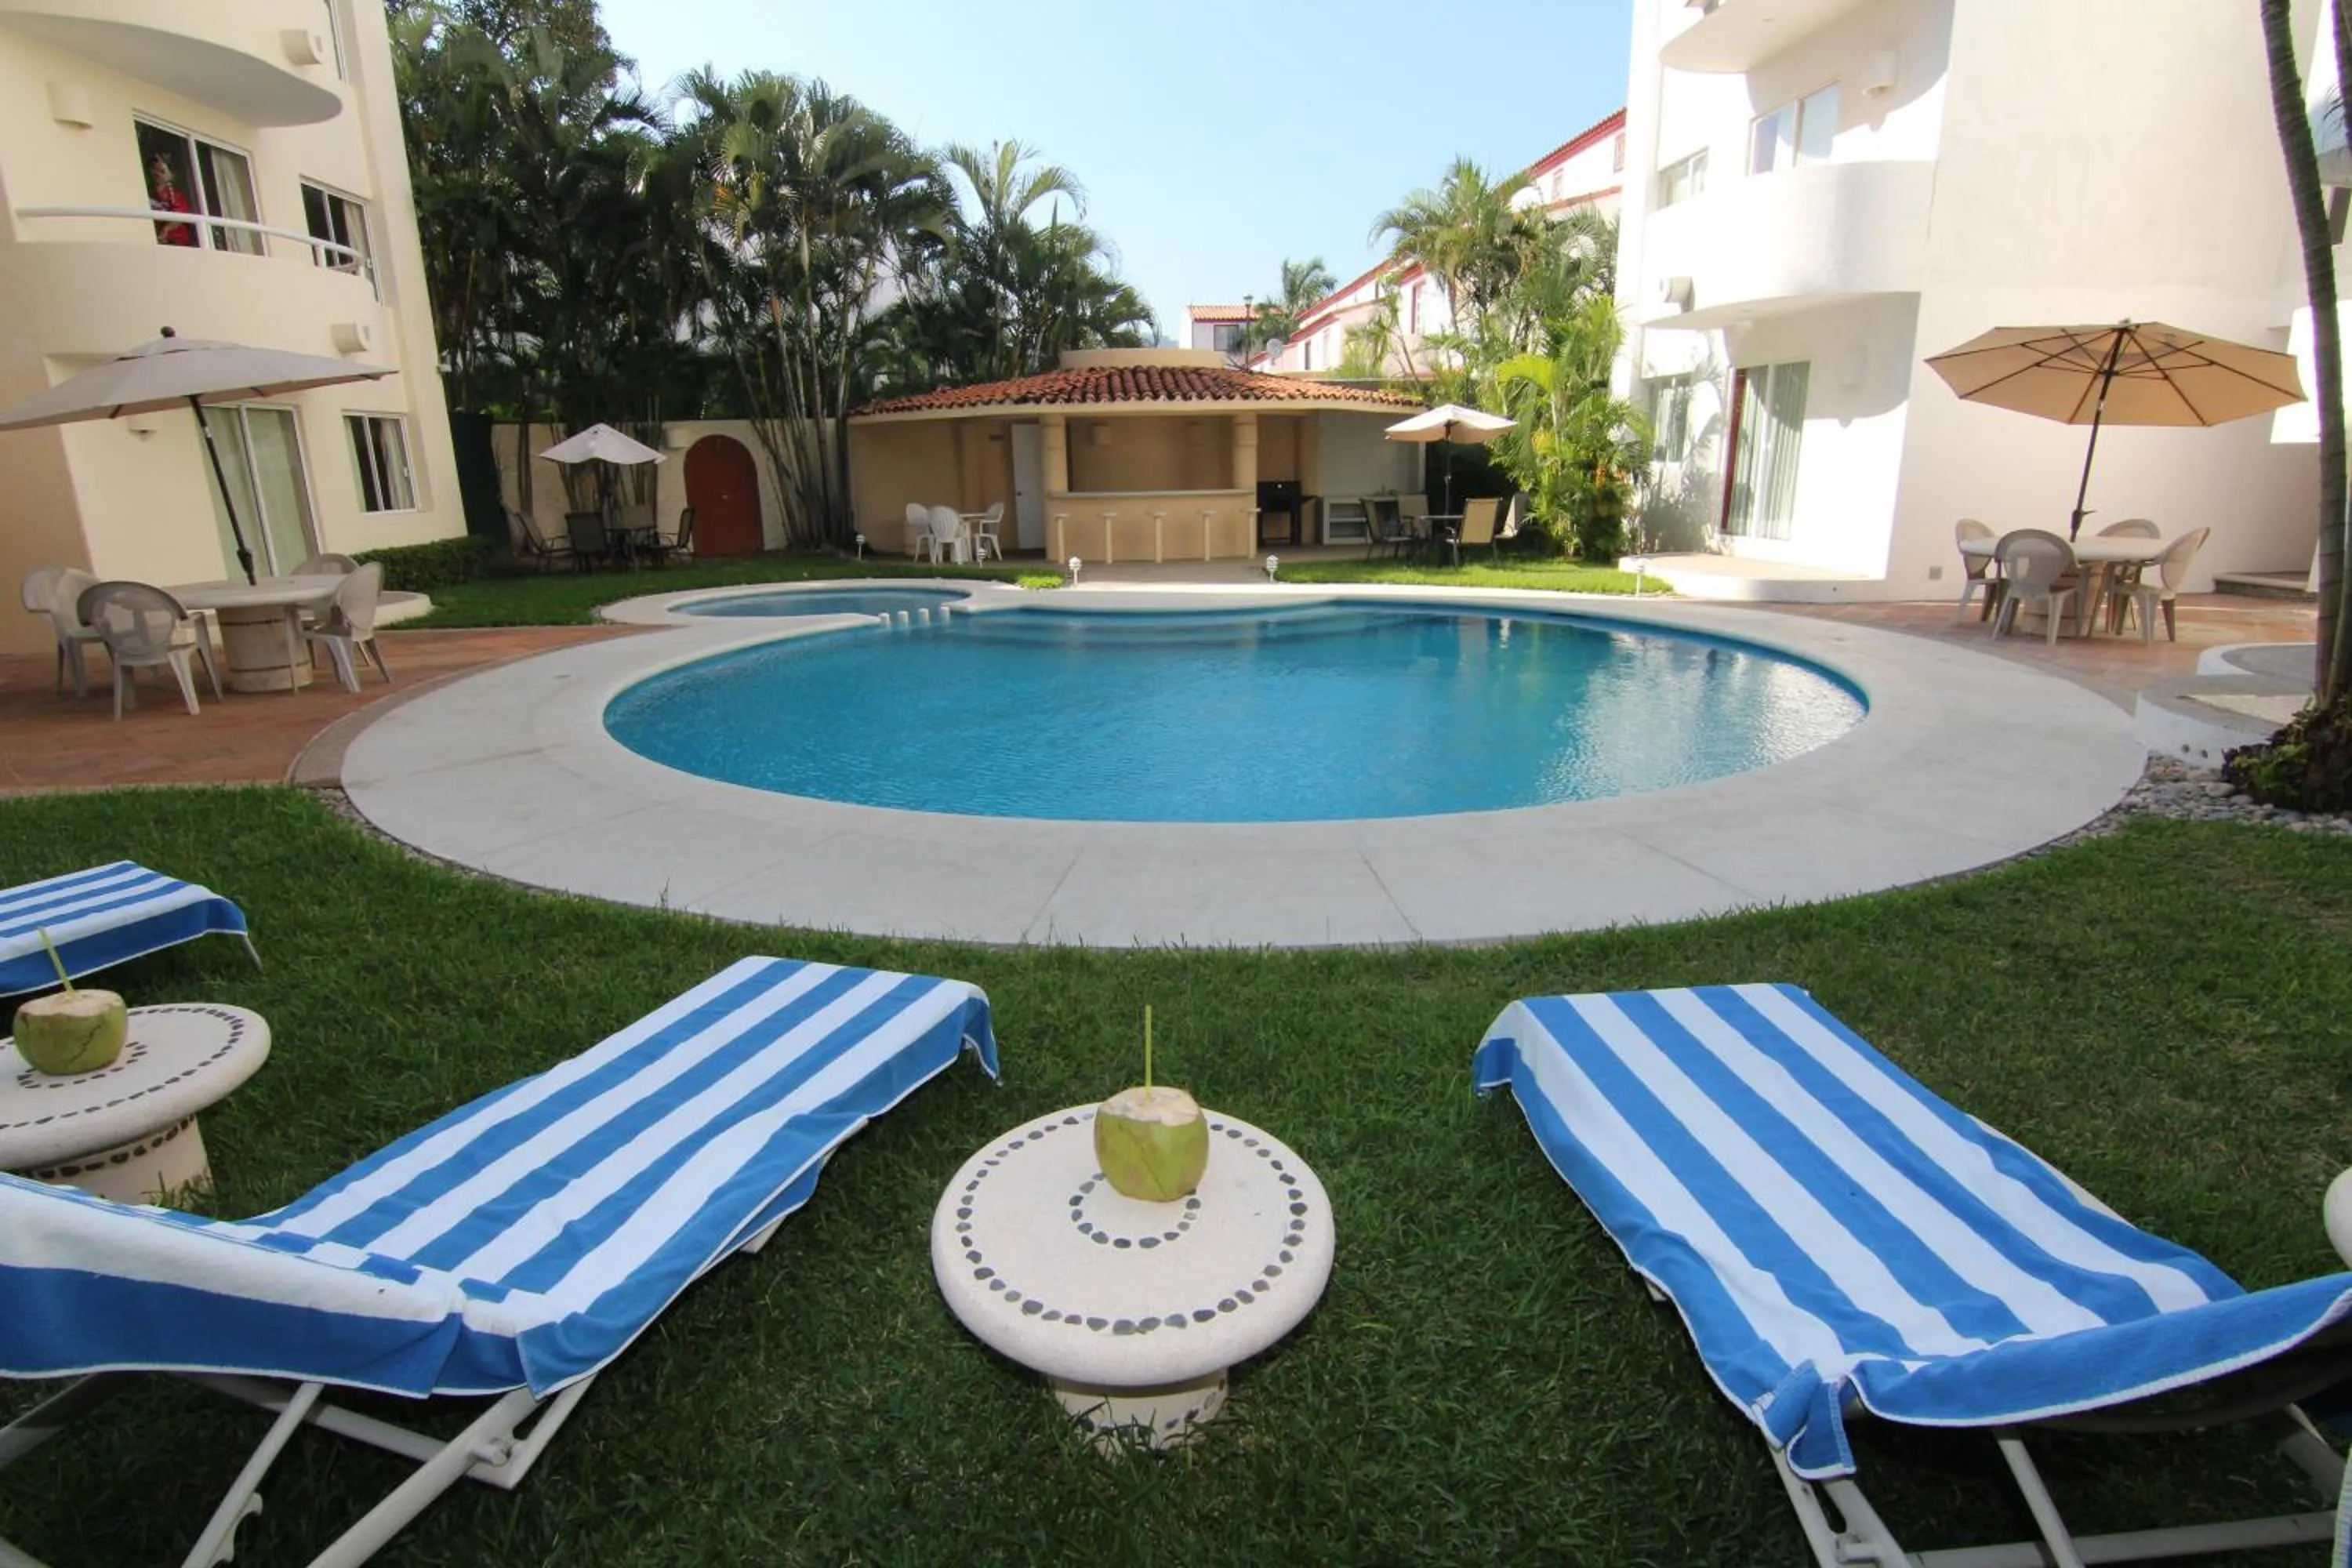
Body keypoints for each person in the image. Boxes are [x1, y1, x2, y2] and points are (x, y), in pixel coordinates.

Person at [147, 154, 196, 247]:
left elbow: (180, 217)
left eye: (162, 171)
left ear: (169, 176)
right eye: (154, 169)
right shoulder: (146, 193)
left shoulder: (177, 196)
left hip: (176, 241)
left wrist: (166, 229)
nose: (157, 174)